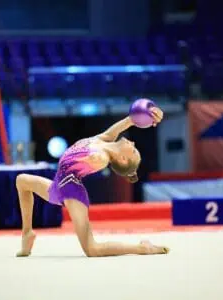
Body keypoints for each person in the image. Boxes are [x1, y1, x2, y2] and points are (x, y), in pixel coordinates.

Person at [15, 106, 169, 257]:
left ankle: (142, 248)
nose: (134, 144)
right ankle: (27, 232)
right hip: (57, 186)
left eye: (134, 151)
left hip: (71, 191)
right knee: (21, 181)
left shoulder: (102, 157)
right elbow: (130, 120)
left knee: (92, 249)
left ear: (122, 159)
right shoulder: (103, 139)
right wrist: (151, 114)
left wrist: (93, 159)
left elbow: (97, 160)